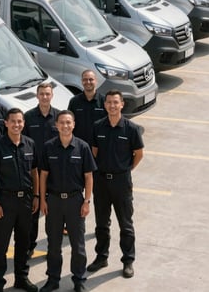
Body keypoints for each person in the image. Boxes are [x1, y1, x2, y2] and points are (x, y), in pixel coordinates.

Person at [87, 90, 144, 279]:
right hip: (101, 181)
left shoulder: (131, 129)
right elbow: (94, 152)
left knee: (125, 224)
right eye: (109, 102)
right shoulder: (98, 127)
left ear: (122, 105)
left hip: (121, 182)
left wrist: (124, 170)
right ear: (105, 105)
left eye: (115, 102)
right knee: (102, 224)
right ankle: (101, 257)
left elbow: (138, 154)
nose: (112, 105)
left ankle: (128, 260)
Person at [39, 110, 97, 292]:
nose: (65, 126)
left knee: (78, 245)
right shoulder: (48, 147)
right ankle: (53, 279)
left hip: (75, 202)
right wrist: (43, 200)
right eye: (62, 122)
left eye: (68, 122)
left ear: (74, 125)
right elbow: (43, 176)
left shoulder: (83, 147)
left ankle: (79, 280)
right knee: (54, 244)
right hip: (54, 201)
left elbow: (89, 177)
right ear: (56, 125)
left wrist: (87, 201)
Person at [0, 108, 39, 292]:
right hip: (5, 202)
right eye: (13, 121)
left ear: (23, 123)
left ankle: (21, 278)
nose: (17, 125)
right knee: (1, 245)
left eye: (20, 121)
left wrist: (37, 196)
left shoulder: (30, 144)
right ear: (6, 123)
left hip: (26, 201)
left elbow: (34, 172)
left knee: (23, 243)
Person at [23, 82, 60, 259]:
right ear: (37, 96)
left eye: (47, 94)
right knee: (33, 212)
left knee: (53, 214)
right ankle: (30, 245)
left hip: (54, 172)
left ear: (52, 95)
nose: (45, 97)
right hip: (34, 172)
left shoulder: (59, 117)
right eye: (42, 94)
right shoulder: (28, 117)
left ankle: (53, 246)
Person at [68, 69, 107, 146]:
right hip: (79, 144)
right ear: (82, 81)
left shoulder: (105, 101)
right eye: (85, 79)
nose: (88, 82)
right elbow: (69, 122)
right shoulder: (74, 101)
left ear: (96, 81)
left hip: (100, 145)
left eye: (91, 79)